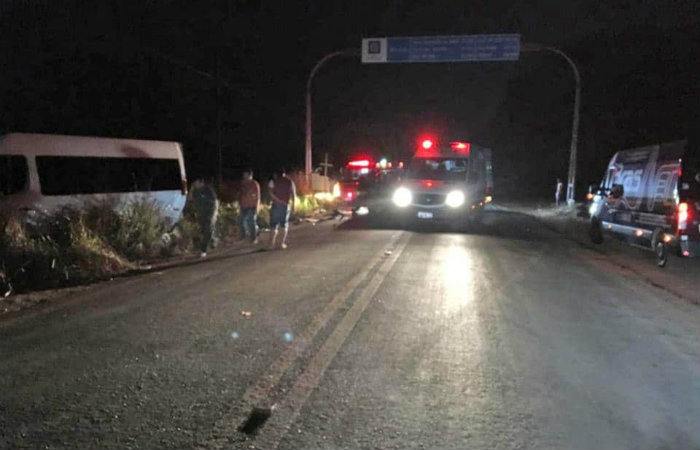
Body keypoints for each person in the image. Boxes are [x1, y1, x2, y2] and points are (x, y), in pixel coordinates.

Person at [267, 168, 296, 250]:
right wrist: (294, 206)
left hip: (276, 205)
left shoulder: (273, 181)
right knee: (284, 224)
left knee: (273, 225)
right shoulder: (290, 182)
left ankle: (271, 244)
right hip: (286, 206)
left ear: (276, 174)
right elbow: (293, 194)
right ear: (284, 173)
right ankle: (281, 244)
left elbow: (270, 193)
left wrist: (278, 200)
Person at [191, 178, 218, 257]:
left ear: (201, 182)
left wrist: (213, 214)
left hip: (210, 213)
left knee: (208, 231)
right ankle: (213, 240)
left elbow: (215, 202)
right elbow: (191, 200)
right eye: (194, 184)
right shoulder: (195, 191)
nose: (195, 185)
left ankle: (203, 250)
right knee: (204, 231)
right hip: (201, 215)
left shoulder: (208, 190)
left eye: (196, 183)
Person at [238, 169, 260, 244]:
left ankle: (253, 238)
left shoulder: (254, 184)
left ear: (250, 175)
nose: (245, 176)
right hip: (243, 205)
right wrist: (239, 203)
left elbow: (258, 196)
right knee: (241, 221)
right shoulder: (243, 183)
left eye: (246, 175)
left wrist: (257, 206)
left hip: (252, 205)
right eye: (244, 175)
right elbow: (240, 194)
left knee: (251, 221)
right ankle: (244, 236)